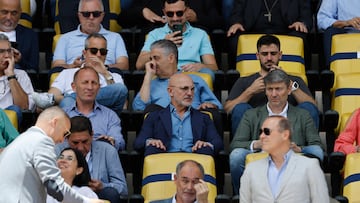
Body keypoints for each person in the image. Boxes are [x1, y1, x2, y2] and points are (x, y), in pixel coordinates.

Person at [229, 69, 323, 195]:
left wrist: (299, 149)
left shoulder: (303, 115)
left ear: (289, 90)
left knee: (316, 152)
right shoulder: (251, 115)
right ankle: (241, 196)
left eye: (278, 89)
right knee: (236, 156)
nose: (274, 94)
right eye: (270, 89)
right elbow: (235, 144)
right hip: (260, 158)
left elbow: (317, 145)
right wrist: (257, 144)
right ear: (265, 90)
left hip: (293, 158)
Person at [0, 106, 104, 203]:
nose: (62, 140)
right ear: (55, 123)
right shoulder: (41, 141)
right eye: (65, 133)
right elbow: (54, 187)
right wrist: (87, 201)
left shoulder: (23, 139)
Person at [225, 34, 318, 135]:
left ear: (280, 55)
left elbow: (312, 107)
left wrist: (289, 83)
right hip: (256, 134)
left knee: (308, 107)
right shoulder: (244, 81)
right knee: (240, 108)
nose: (269, 58)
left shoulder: (295, 80)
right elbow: (228, 109)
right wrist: (250, 91)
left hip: (291, 132)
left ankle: (307, 146)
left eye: (273, 53)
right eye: (264, 54)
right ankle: (244, 146)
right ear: (258, 56)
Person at [32, 33, 128, 114]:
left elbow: (122, 103)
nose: (98, 55)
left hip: (102, 117)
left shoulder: (113, 76)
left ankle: (73, 98)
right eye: (94, 51)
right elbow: (50, 97)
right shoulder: (67, 73)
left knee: (120, 89)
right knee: (67, 103)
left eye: (103, 52)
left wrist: (105, 73)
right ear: (85, 53)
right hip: (74, 119)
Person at [240, 115, 329, 202]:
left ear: (285, 135)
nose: (261, 136)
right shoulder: (251, 169)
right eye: (261, 132)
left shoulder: (310, 166)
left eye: (267, 132)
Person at [134, 73, 223, 156]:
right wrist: (150, 142)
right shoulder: (154, 116)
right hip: (164, 163)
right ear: (170, 91)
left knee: (205, 150)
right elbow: (138, 143)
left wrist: (207, 144)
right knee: (152, 149)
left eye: (192, 89)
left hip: (193, 164)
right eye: (184, 88)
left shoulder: (204, 117)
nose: (190, 93)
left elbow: (218, 142)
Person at [135, 0, 218, 80]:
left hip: (192, 77)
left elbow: (213, 67)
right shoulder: (155, 34)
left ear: (187, 11)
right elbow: (139, 65)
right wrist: (163, 45)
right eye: (170, 14)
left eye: (179, 13)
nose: (175, 18)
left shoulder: (200, 34)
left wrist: (201, 66)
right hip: (164, 76)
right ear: (164, 12)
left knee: (207, 73)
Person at [133, 39, 221, 111]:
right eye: (151, 59)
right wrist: (148, 76)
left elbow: (216, 106)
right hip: (161, 126)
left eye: (156, 58)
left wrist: (209, 105)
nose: (152, 63)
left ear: (171, 58)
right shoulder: (150, 84)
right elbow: (139, 108)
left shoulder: (195, 80)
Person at [56, 116, 128, 203]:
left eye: (85, 141)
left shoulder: (107, 150)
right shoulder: (57, 151)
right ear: (67, 138)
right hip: (64, 195)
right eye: (75, 143)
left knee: (110, 193)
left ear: (92, 135)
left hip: (97, 196)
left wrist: (103, 186)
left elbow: (123, 188)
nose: (80, 148)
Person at [226, 0, 312, 69]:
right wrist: (236, 23)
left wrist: (301, 23)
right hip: (252, 31)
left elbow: (306, 15)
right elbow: (237, 12)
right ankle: (237, 78)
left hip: (287, 31)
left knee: (301, 36)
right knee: (235, 36)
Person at [61, 66, 125, 151]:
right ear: (74, 87)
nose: (90, 87)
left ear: (99, 88)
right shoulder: (62, 116)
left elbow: (119, 142)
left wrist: (111, 141)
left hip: (100, 159)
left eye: (94, 83)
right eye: (85, 82)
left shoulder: (110, 116)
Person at [52, 0, 129, 71]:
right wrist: (72, 66)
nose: (91, 17)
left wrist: (103, 67)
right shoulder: (65, 38)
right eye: (86, 14)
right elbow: (57, 65)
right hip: (73, 78)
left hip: (106, 77)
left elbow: (124, 65)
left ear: (102, 16)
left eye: (96, 14)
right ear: (79, 15)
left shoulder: (116, 37)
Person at [118, 0, 223, 33]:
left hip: (193, 57)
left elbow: (219, 23)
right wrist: (141, 11)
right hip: (156, 58)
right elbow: (122, 20)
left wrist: (197, 17)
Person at [0, 33, 35, 125]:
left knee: (14, 110)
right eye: (1, 51)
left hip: (9, 130)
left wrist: (11, 76)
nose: (7, 55)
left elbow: (24, 108)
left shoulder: (21, 75)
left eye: (9, 51)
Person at [317, 0, 360, 68]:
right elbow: (322, 20)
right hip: (345, 32)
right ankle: (331, 72)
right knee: (330, 32)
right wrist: (346, 23)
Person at [0, 0, 39, 71]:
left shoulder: (29, 35)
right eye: (4, 12)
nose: (9, 17)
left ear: (20, 13)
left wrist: (20, 60)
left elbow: (34, 70)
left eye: (14, 13)